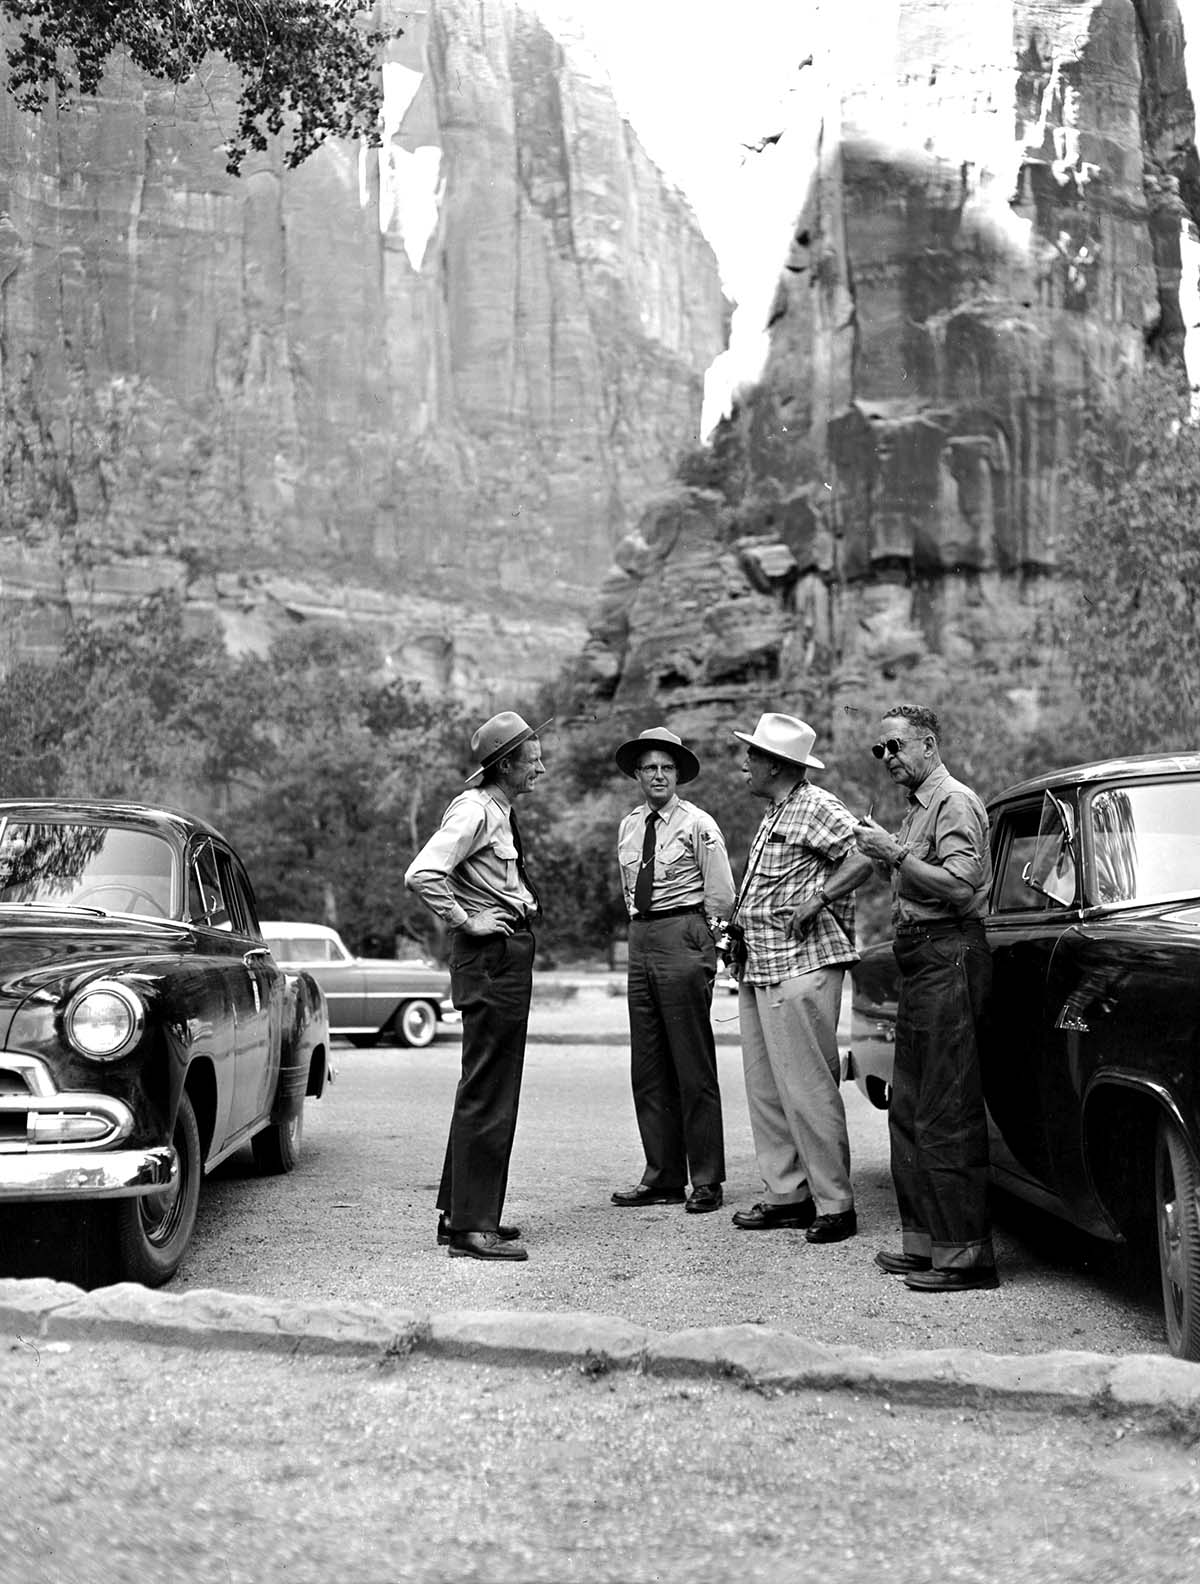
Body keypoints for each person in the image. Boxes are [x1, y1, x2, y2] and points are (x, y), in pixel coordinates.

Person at [853, 704, 998, 1292]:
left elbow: (962, 890)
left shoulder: (955, 801)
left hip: (949, 954)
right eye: (880, 750)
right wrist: (892, 851)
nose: (887, 758)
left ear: (929, 745)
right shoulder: (918, 809)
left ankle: (966, 1259)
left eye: (895, 747)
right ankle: (925, 1246)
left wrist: (894, 854)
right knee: (910, 1106)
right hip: (922, 958)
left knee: (946, 1109)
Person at [404, 709, 549, 1262]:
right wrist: (467, 921)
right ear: (506, 764)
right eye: (532, 760)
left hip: (502, 956)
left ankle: (460, 1213)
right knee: (490, 1089)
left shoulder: (496, 810)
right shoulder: (475, 809)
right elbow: (424, 872)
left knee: (484, 1085)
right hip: (491, 956)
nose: (540, 768)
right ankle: (472, 1228)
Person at [728, 713, 874, 1244]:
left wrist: (818, 899)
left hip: (802, 963)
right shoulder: (778, 810)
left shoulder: (816, 805)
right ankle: (787, 1195)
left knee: (809, 1087)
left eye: (753, 756)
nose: (746, 764)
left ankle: (835, 1203)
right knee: (767, 1087)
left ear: (774, 763)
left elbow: (862, 858)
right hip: (763, 964)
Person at [610, 726, 736, 1214]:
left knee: (691, 1062)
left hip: (683, 934)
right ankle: (661, 1175)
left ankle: (705, 1179)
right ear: (637, 775)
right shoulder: (628, 826)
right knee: (648, 1064)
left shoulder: (698, 824)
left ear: (678, 774)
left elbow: (721, 893)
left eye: (666, 768)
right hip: (641, 937)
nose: (658, 776)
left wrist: (708, 947)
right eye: (650, 768)